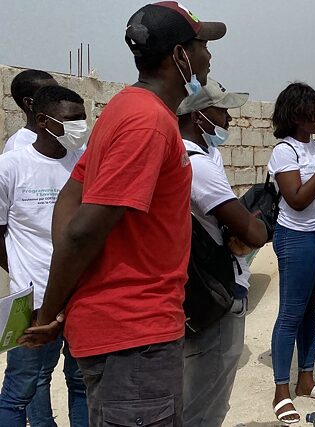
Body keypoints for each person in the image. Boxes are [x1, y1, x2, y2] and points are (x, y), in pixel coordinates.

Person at [18, 3, 225, 425]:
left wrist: (70, 289)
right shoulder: (148, 123)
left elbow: (71, 198)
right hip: (134, 336)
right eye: (202, 44)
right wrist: (51, 310)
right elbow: (82, 231)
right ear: (180, 55)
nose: (209, 56)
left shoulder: (124, 108)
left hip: (122, 333)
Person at [176, 78, 268, 426]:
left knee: (196, 389)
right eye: (221, 111)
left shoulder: (191, 156)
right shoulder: (197, 165)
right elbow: (253, 233)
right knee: (207, 400)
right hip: (217, 289)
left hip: (200, 286)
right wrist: (258, 224)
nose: (228, 119)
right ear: (198, 116)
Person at [0, 85, 88, 426]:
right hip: (33, 303)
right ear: (42, 121)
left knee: (82, 383)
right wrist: (24, 275)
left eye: (83, 118)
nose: (80, 127)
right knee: (20, 389)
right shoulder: (11, 167)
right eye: (71, 119)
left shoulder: (83, 162)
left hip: (81, 296)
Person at [267, 82, 315, 423]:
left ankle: (306, 377)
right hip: (296, 236)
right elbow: (297, 199)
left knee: (314, 311)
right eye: (314, 112)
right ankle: (281, 390)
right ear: (297, 116)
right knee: (291, 313)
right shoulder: (285, 151)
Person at [3, 69, 57, 153]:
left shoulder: (66, 138)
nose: (60, 99)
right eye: (51, 95)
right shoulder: (18, 148)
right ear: (29, 103)